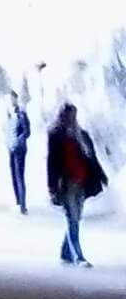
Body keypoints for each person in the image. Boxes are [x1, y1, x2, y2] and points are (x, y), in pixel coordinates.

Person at [46, 102, 108, 267]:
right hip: (66, 184)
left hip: (81, 183)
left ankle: (65, 253)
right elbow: (52, 163)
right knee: (72, 219)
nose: (72, 118)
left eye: (74, 114)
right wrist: (51, 187)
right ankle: (78, 257)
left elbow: (92, 158)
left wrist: (102, 175)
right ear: (62, 116)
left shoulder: (82, 135)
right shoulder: (56, 135)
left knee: (76, 219)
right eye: (68, 115)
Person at [4, 91, 31, 215]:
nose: (11, 101)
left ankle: (23, 205)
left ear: (16, 99)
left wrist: (18, 140)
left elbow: (27, 132)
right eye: (9, 99)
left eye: (12, 99)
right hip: (11, 148)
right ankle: (18, 202)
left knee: (19, 176)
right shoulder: (9, 114)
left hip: (19, 149)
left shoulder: (21, 114)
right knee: (13, 176)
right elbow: (7, 131)